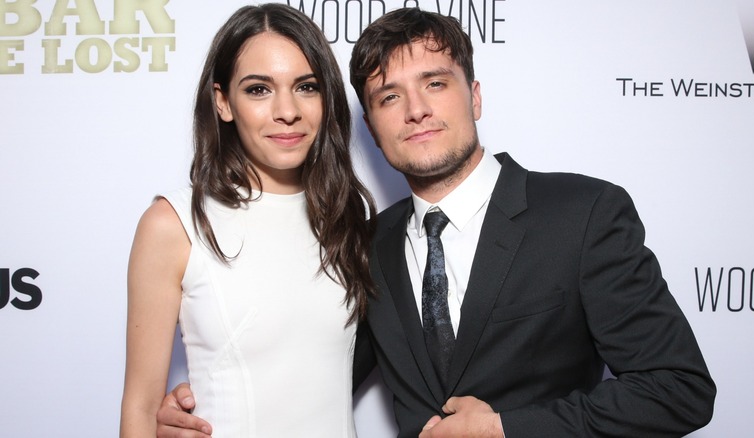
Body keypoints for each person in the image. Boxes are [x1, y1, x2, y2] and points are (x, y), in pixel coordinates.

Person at [157, 7, 717, 438]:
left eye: (435, 83)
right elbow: (316, 368)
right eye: (388, 96)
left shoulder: (582, 213)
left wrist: (506, 427)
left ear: (474, 96)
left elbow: (679, 389)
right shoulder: (365, 241)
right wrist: (203, 400)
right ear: (370, 129)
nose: (416, 109)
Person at [119, 4, 375, 437]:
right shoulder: (174, 225)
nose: (287, 110)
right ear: (223, 102)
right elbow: (141, 409)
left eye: (306, 87)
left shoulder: (348, 218)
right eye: (259, 89)